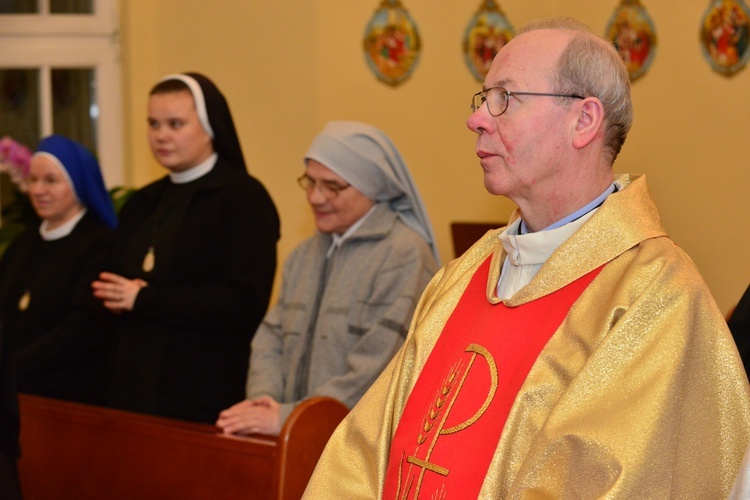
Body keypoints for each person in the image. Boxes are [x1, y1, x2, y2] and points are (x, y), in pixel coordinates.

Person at [304, 18, 750, 498]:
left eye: (505, 98)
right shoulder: (464, 275)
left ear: (583, 121)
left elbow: (612, 481)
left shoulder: (658, 297)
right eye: (484, 98)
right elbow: (365, 449)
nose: (476, 118)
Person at [215, 121, 439, 436]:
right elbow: (271, 336)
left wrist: (289, 417)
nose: (315, 198)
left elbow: (379, 365)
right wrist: (265, 400)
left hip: (357, 447)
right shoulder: (304, 254)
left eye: (332, 186)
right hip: (292, 433)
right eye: (310, 182)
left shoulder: (404, 256)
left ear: (372, 186)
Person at [92, 73, 280, 423]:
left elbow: (243, 303)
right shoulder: (143, 202)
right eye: (153, 124)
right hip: (130, 391)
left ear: (209, 128)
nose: (161, 135)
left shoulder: (242, 199)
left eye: (175, 124)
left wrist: (143, 300)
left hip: (200, 395)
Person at [0, 134, 116, 404]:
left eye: (51, 180)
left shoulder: (100, 245)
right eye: (33, 180)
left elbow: (80, 329)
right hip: (15, 391)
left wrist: (10, 368)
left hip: (72, 394)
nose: (38, 190)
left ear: (78, 184)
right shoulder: (22, 244)